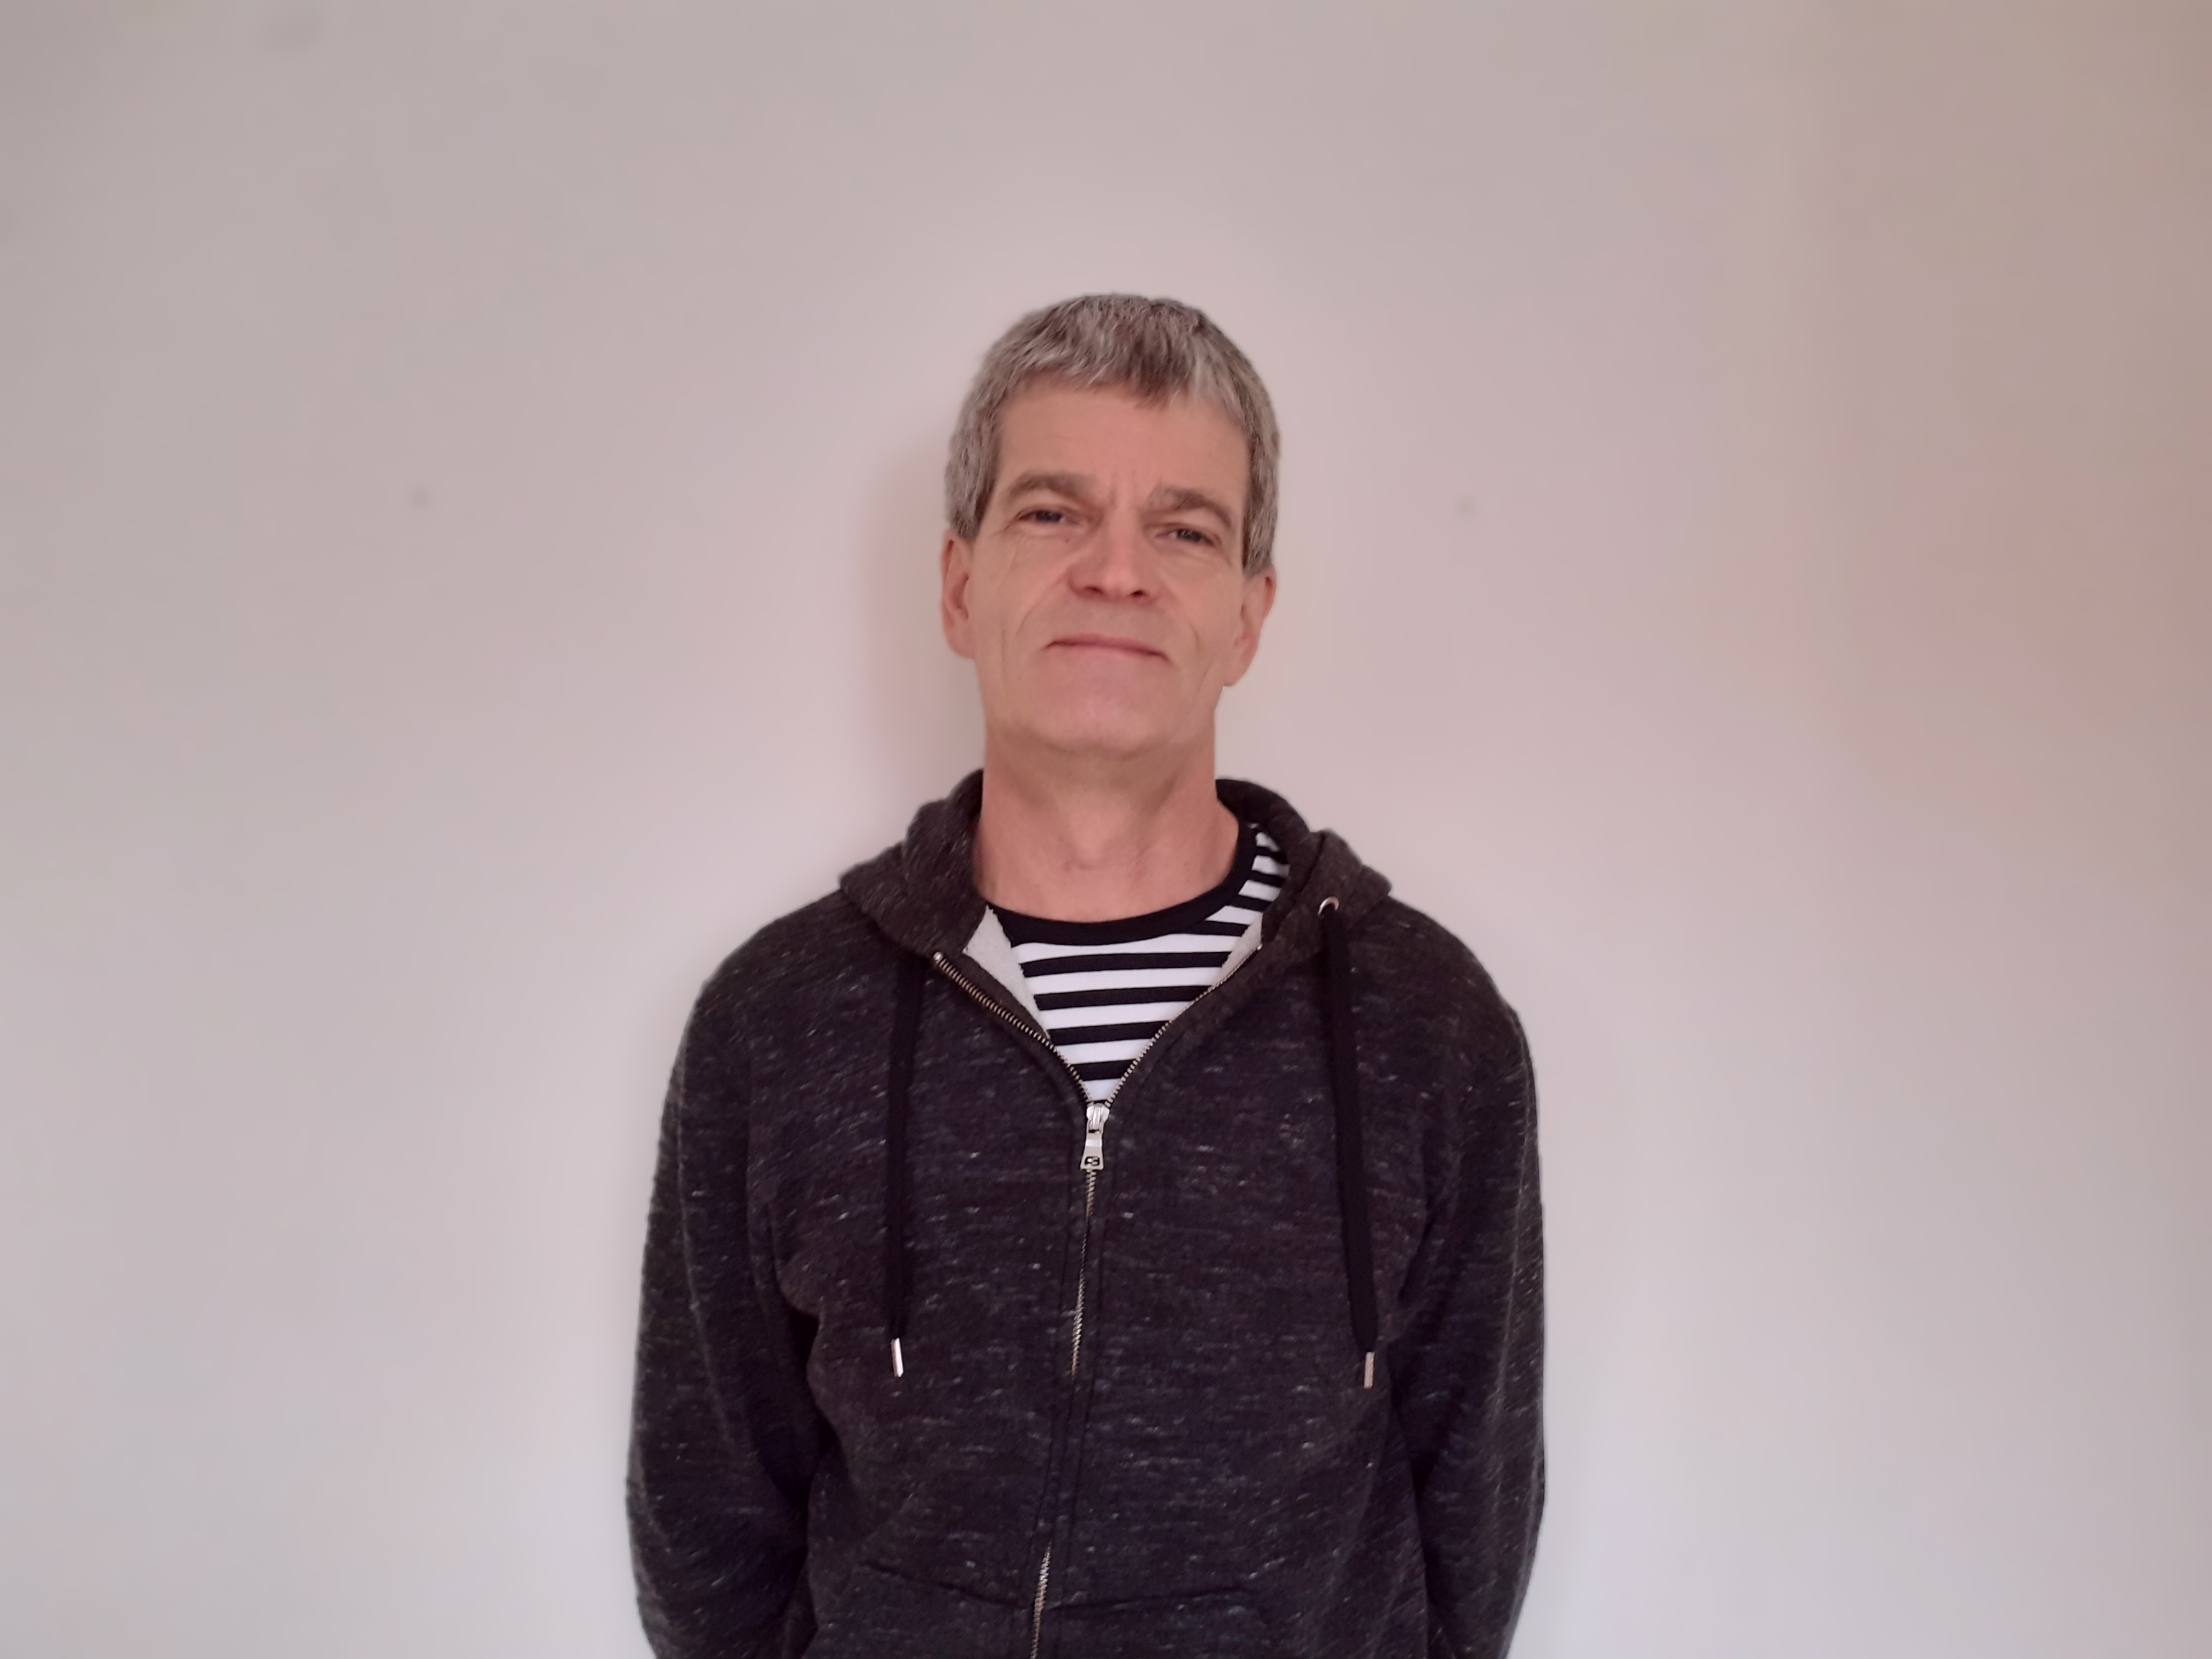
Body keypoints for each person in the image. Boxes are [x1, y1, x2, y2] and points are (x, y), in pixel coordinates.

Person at [627, 295, 1544, 1658]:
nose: (1118, 571)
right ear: (960, 586)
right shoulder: (777, 1023)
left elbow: (1471, 1530)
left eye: (1185, 530)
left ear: (1249, 616)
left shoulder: (1427, 1030)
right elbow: (708, 1534)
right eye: (1055, 513)